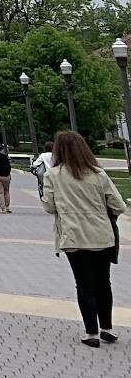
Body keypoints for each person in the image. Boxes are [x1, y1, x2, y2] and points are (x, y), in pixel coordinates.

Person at [42, 129, 126, 348]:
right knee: (103, 283)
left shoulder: (53, 175)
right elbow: (119, 205)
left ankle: (91, 333)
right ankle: (107, 328)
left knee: (84, 285)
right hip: (101, 235)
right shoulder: (98, 174)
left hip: (73, 236)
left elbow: (49, 207)